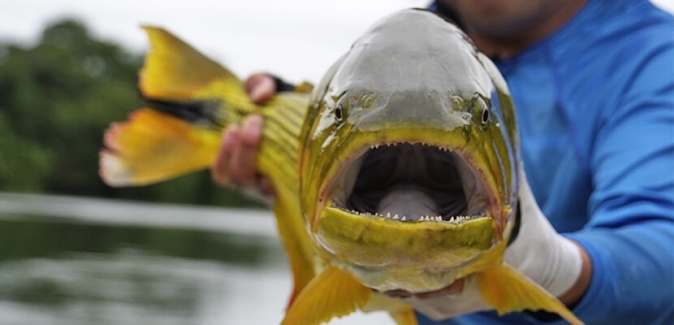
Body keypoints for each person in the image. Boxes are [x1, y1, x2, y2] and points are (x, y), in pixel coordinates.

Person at [211, 0, 674, 324]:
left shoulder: (655, 59)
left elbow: (662, 246)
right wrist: (284, 165)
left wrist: (553, 268)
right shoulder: (410, 38)